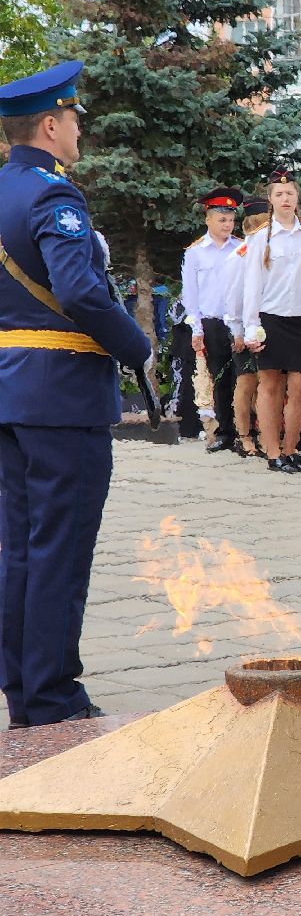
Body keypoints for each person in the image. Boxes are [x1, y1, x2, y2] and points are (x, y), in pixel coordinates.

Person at [0, 61, 151, 727]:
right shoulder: (55, 197)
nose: (80, 130)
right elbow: (82, 290)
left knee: (19, 550)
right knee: (60, 552)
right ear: (51, 124)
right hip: (61, 401)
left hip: (11, 396)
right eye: (75, 119)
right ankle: (54, 698)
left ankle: (25, 693)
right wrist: (136, 346)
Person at [242, 168, 301, 473]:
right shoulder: (261, 237)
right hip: (271, 319)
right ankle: (273, 451)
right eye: (279, 194)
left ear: (298, 197)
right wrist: (251, 325)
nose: (285, 198)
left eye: (290, 193)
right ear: (271, 200)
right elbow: (252, 284)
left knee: (300, 386)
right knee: (270, 385)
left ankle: (292, 448)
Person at [178, 187, 243, 454]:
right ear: (208, 219)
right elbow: (191, 295)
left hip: (238, 322)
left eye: (230, 220)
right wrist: (196, 328)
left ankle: (245, 432)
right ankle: (224, 432)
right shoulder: (195, 252)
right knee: (220, 378)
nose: (227, 225)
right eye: (222, 219)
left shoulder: (241, 248)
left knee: (243, 378)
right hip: (213, 322)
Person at [223, 197, 268, 457]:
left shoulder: (270, 250)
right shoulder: (240, 255)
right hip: (245, 327)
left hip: (269, 325)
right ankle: (243, 435)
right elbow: (234, 297)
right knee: (247, 382)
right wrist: (237, 330)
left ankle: (265, 433)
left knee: (268, 383)